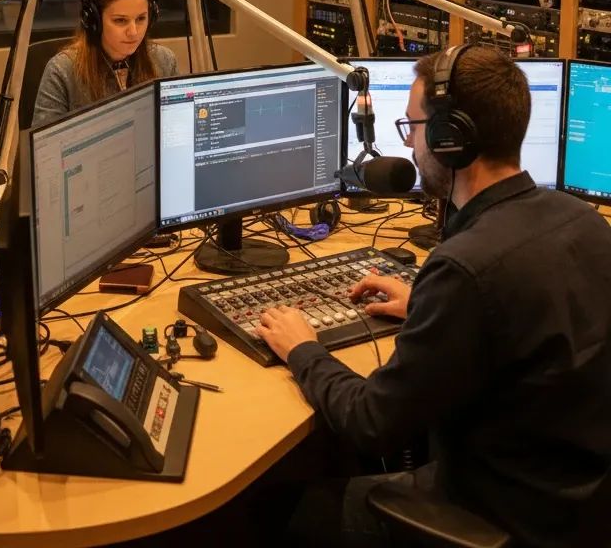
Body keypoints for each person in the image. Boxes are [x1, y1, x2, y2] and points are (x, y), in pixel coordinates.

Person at [255, 44, 611, 548]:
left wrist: (303, 348)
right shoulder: (581, 220)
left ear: (451, 139)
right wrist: (427, 302)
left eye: (414, 128)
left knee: (276, 510)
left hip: (501, 517)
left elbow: (371, 422)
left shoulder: (466, 269)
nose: (412, 146)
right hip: (576, 503)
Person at [32, 0, 179, 126]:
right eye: (120, 20)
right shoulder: (62, 70)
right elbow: (46, 148)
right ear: (94, 21)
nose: (133, 32)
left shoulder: (164, 60)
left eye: (141, 19)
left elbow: (177, 128)